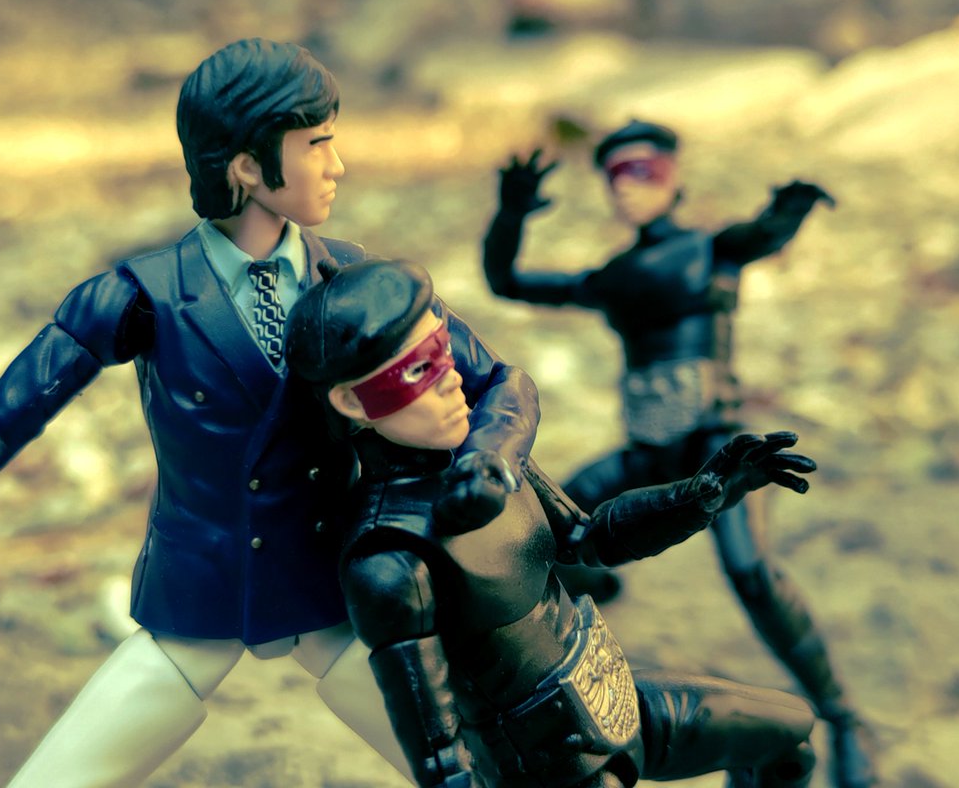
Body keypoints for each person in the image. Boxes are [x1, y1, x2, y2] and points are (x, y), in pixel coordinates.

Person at [0, 38, 540, 787]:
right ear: (246, 167)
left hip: (334, 589)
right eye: (315, 145)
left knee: (484, 774)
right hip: (199, 596)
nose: (337, 165)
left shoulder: (354, 281)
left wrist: (489, 459)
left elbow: (497, 381)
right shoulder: (142, 296)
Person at [285, 257, 822, 788]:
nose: (451, 381)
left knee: (788, 735)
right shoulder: (390, 561)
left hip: (613, 697)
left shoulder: (490, 463)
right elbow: (440, 755)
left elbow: (589, 537)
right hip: (548, 766)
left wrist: (704, 494)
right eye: (418, 371)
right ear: (350, 400)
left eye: (444, 351)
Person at [480, 121, 877, 788]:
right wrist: (511, 212)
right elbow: (508, 281)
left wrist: (790, 210)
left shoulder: (709, 251)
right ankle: (596, 591)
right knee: (541, 535)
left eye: (646, 173)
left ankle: (842, 715)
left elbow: (759, 236)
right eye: (616, 176)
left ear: (673, 179)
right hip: (647, 450)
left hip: (719, 446)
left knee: (753, 574)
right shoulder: (614, 276)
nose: (629, 188)